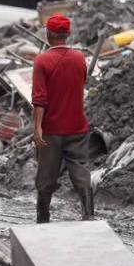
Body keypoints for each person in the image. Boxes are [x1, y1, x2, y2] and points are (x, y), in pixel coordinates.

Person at [32, 14, 93, 223]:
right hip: (77, 127)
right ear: (68, 34)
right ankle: (88, 214)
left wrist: (37, 127)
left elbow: (39, 100)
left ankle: (43, 217)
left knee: (46, 175)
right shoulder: (79, 58)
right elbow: (81, 83)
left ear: (48, 34)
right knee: (81, 170)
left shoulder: (41, 60)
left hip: (51, 129)